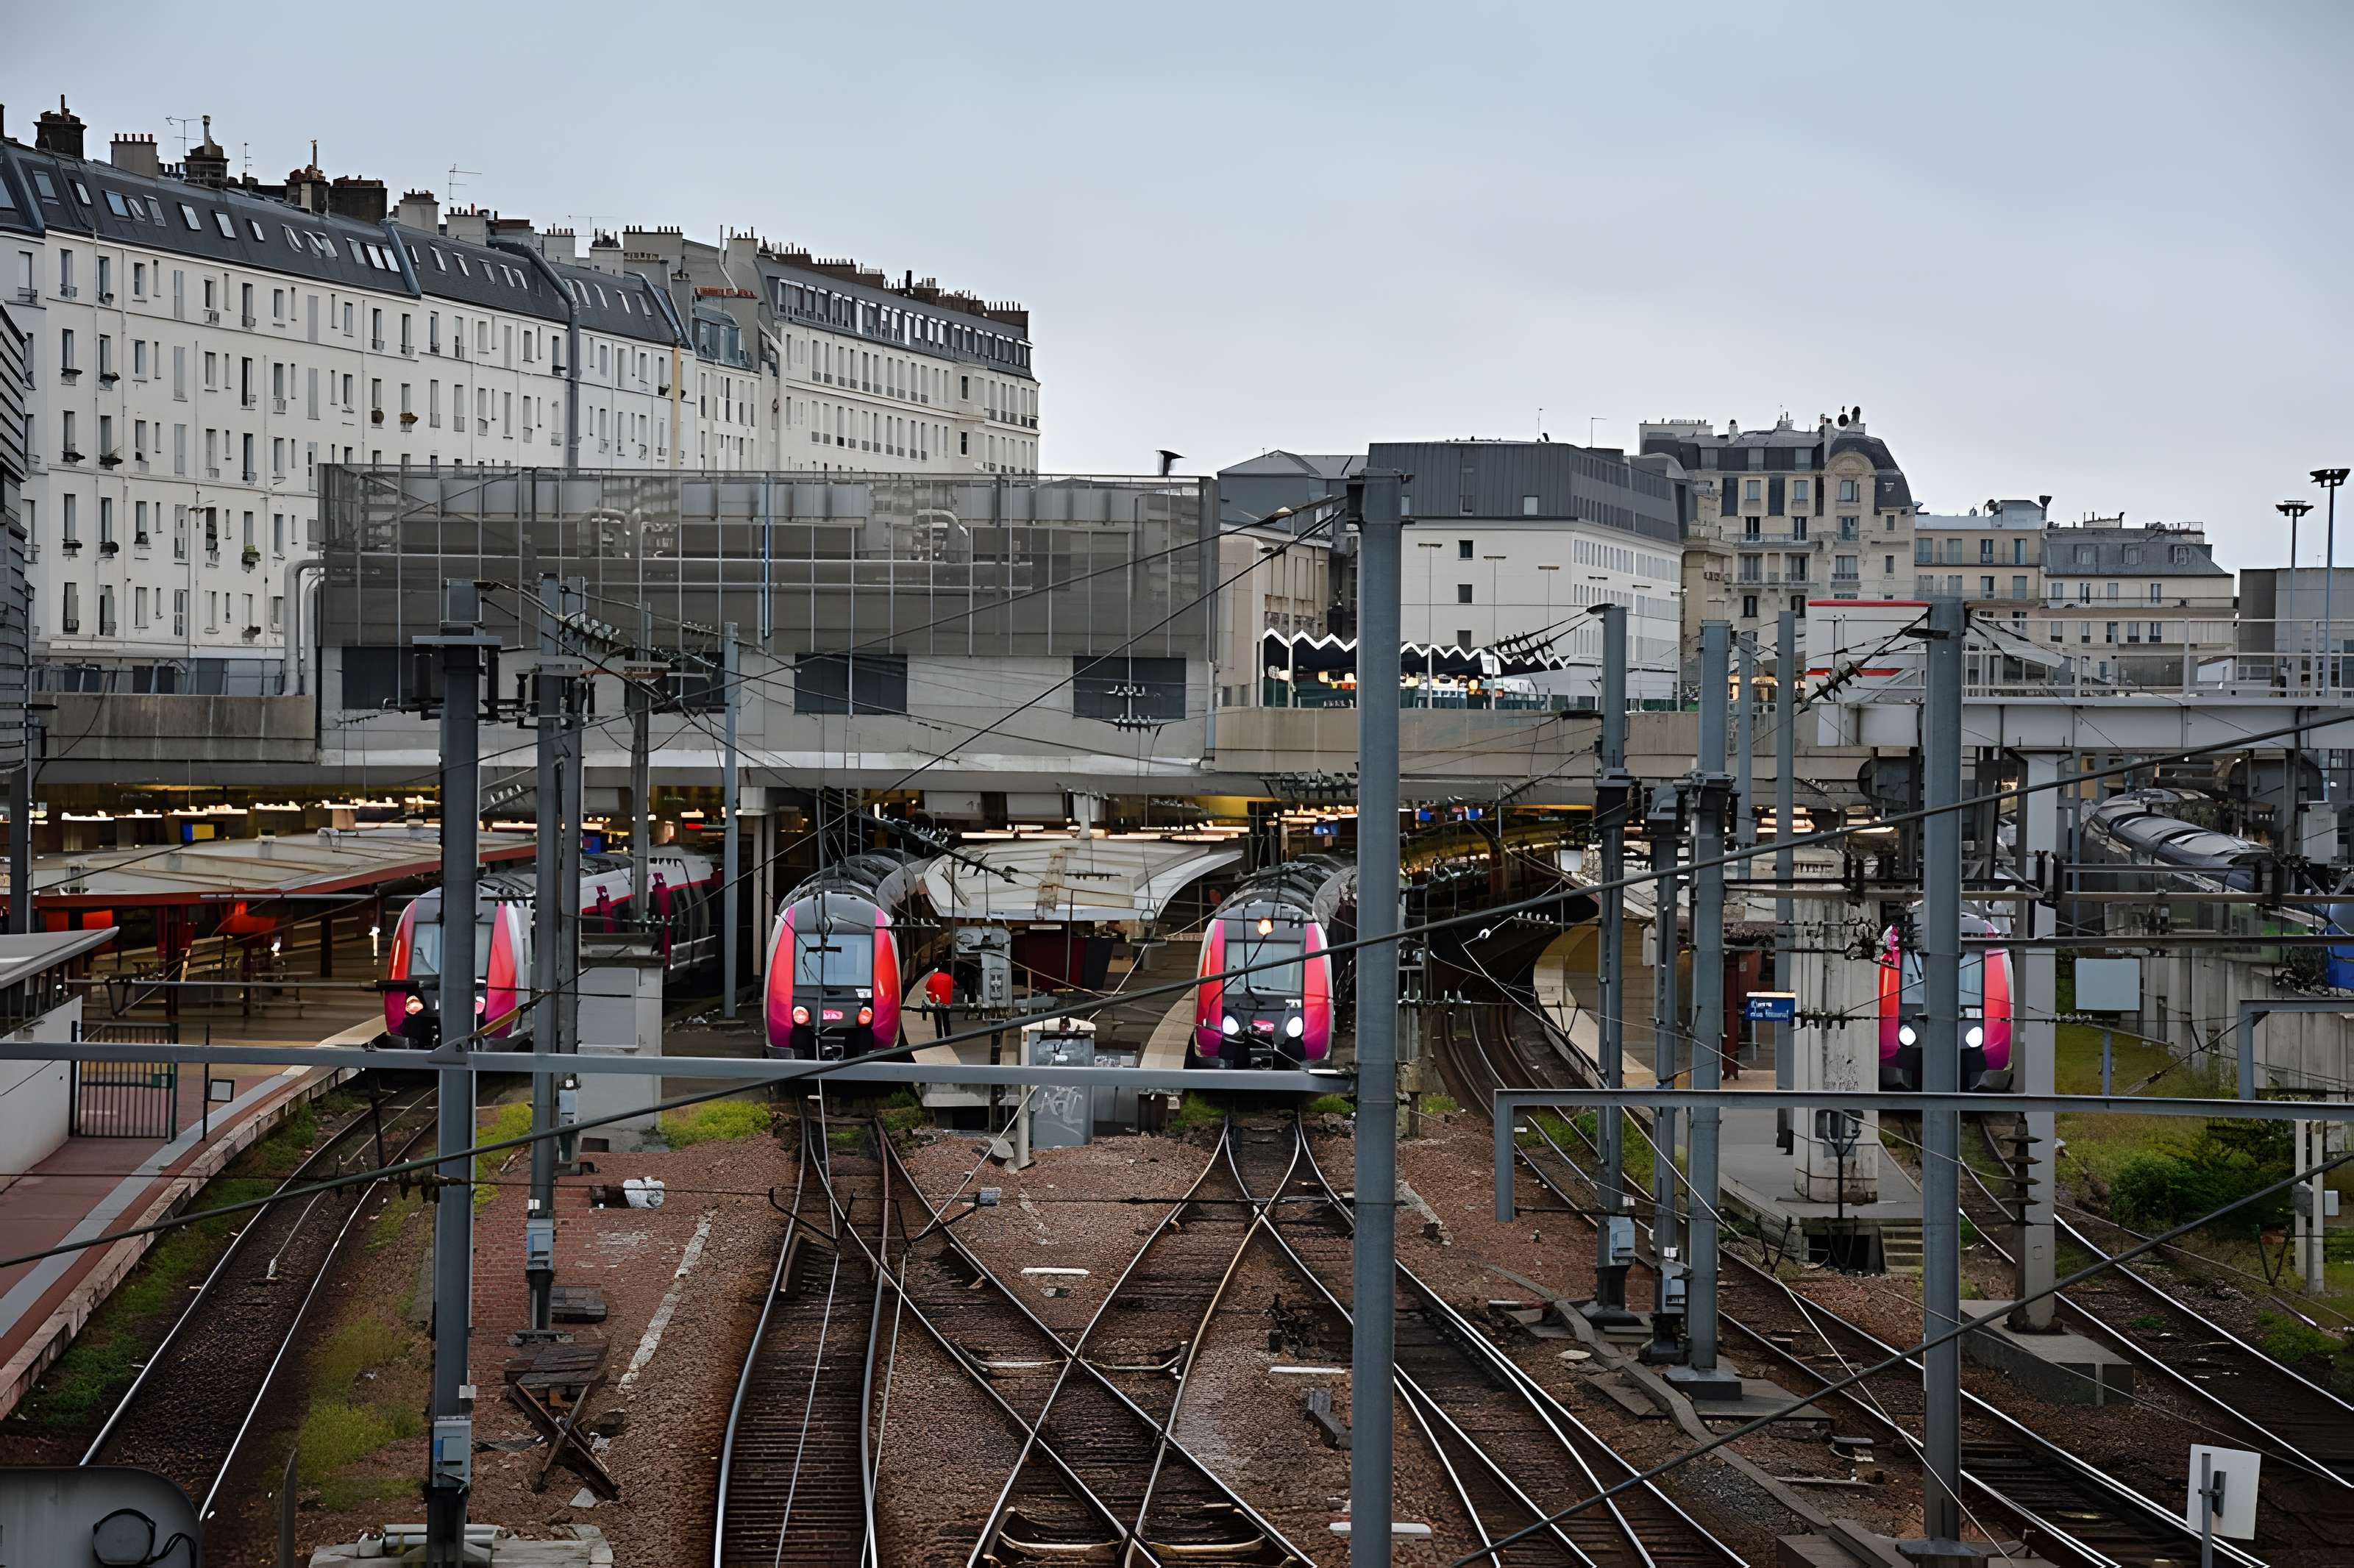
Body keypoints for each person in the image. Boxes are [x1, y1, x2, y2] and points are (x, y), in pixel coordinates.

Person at [925, 968, 956, 1039]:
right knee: (946, 1019)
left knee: (938, 1020)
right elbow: (955, 984)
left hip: (936, 1001)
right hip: (947, 1001)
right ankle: (948, 1036)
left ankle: (939, 1037)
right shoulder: (949, 977)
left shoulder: (933, 977)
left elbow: (928, 988)